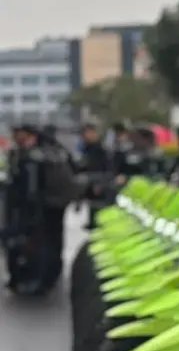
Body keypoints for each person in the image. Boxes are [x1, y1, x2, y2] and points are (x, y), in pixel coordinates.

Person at [3, 124, 79, 294]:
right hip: (47, 206)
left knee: (43, 244)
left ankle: (40, 279)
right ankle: (35, 277)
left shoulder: (38, 156)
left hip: (43, 208)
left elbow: (30, 188)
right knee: (44, 242)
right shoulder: (51, 152)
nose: (17, 140)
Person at [77, 123, 112, 229]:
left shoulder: (102, 150)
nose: (84, 136)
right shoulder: (87, 149)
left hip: (100, 188)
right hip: (90, 187)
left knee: (99, 217)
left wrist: (100, 184)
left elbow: (108, 170)